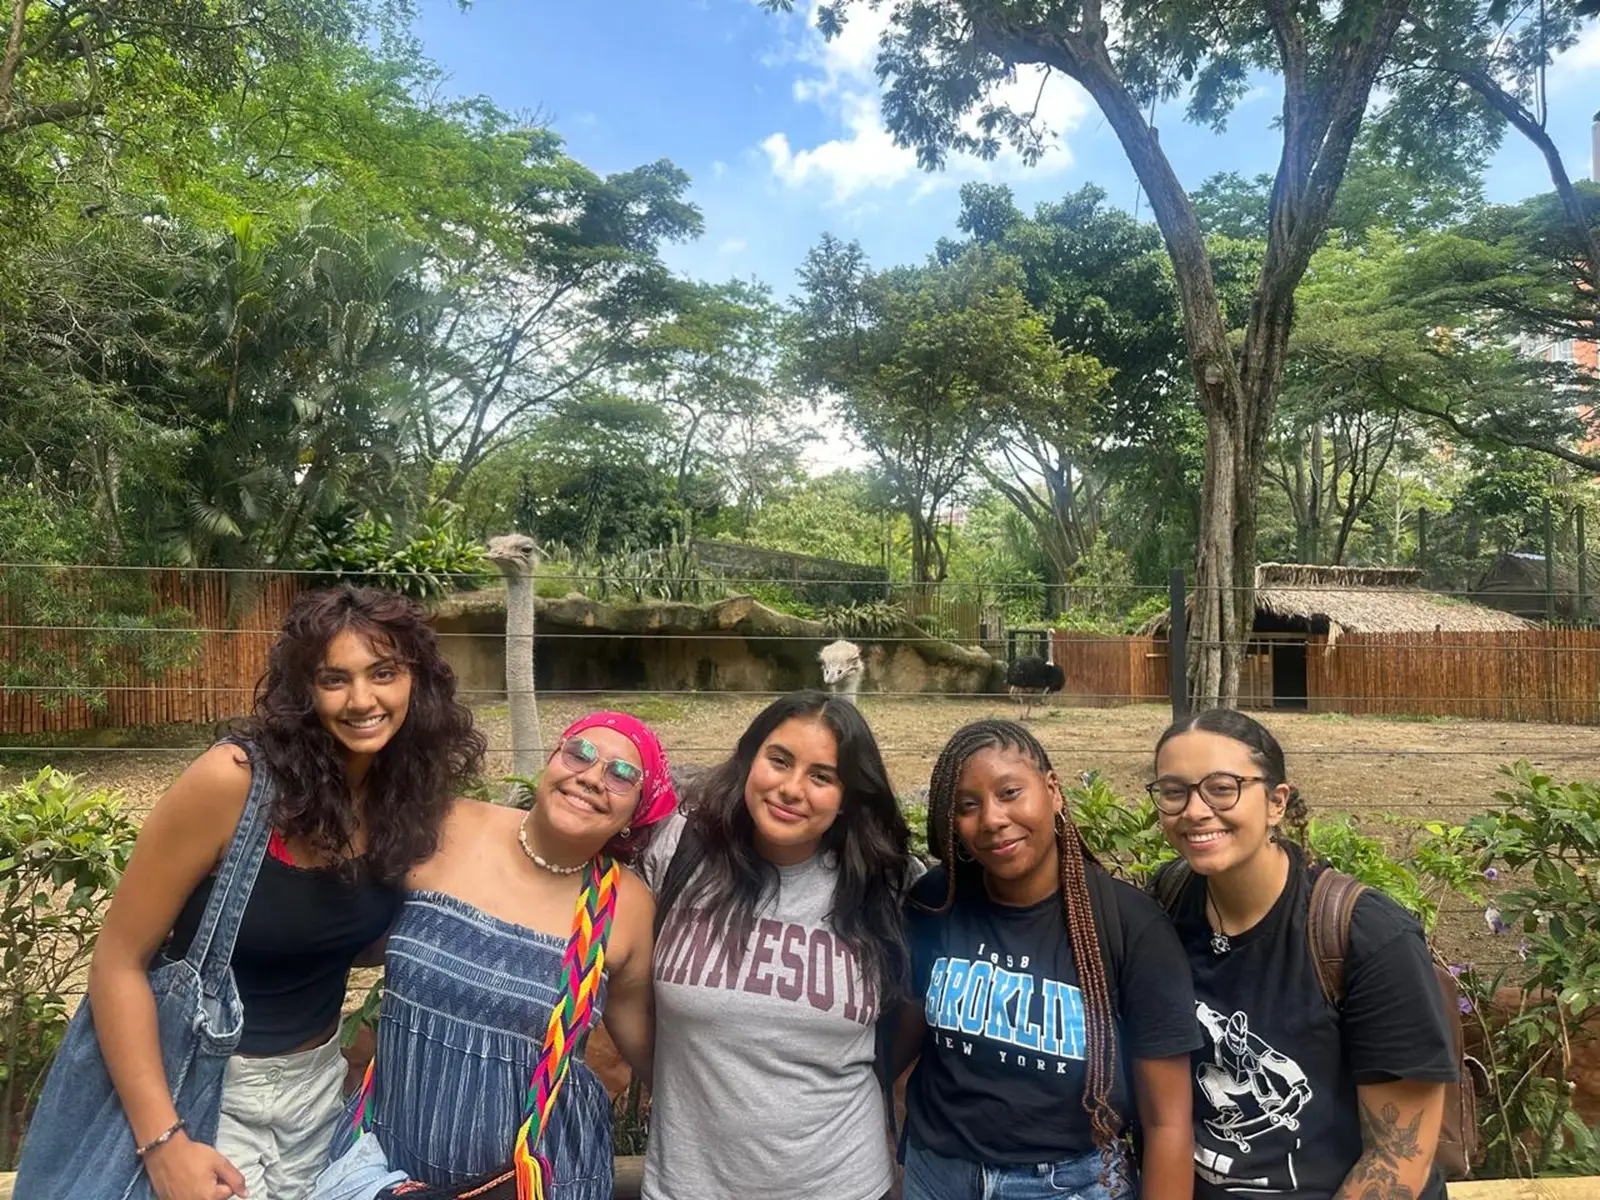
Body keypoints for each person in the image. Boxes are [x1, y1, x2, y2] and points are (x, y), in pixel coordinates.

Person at [72, 585, 484, 1200]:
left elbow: (341, 933)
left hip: (317, 1089)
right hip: (205, 1086)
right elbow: (116, 962)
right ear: (303, 691)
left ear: (415, 682)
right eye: (334, 679)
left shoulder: (403, 796)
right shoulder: (233, 784)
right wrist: (163, 1142)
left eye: (384, 673)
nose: (362, 700)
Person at [333, 710, 674, 1199]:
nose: (592, 778)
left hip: (539, 1182)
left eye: (623, 776)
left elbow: (654, 1054)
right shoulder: (446, 826)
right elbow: (341, 931)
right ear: (553, 759)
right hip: (387, 1164)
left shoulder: (624, 907)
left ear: (637, 812)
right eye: (581, 753)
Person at [1149, 709, 1456, 1200]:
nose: (1195, 810)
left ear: (1276, 802)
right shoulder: (1165, 901)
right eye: (1173, 791)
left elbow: (1396, 1159)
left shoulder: (1365, 937)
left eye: (1222, 788)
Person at [893, 719, 1199, 1200]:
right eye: (967, 806)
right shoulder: (937, 901)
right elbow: (898, 1043)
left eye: (1010, 792)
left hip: (1068, 1183)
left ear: (1053, 791)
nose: (992, 818)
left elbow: (1167, 1121)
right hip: (939, 1174)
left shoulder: (1130, 925)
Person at [640, 691, 914, 1200]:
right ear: (750, 759)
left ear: (848, 797)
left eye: (822, 776)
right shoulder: (678, 850)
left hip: (842, 1183)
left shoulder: (887, 885)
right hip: (687, 1185)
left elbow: (915, 1022)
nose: (791, 789)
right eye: (780, 760)